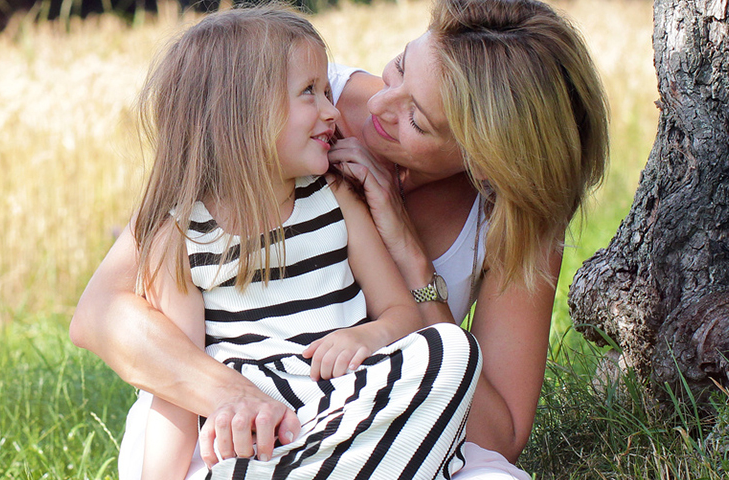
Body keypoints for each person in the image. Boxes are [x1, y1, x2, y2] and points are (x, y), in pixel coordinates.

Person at [69, 0, 609, 478]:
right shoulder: (288, 100)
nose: (376, 106)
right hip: (232, 413)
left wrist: (413, 261)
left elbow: (499, 434)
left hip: (368, 407)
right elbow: (100, 313)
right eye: (398, 65)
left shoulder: (519, 219)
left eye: (416, 120)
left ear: (488, 165)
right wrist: (237, 396)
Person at [125, 5, 480, 479]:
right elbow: (177, 380)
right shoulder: (180, 233)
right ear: (244, 113)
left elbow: (403, 315)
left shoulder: (334, 198)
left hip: (348, 401)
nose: (333, 111)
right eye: (309, 93)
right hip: (259, 429)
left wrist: (364, 336)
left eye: (327, 91)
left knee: (454, 349)